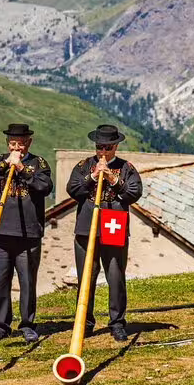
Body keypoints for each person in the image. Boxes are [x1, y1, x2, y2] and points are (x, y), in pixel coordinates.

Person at [66, 124, 142, 342]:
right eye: (100, 147)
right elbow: (73, 190)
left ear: (115, 147)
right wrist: (92, 177)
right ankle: (85, 322)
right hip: (86, 225)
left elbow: (133, 193)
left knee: (115, 275)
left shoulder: (126, 167)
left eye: (107, 148)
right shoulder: (83, 165)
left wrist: (112, 179)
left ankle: (117, 323)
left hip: (113, 223)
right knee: (85, 277)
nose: (103, 152)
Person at [0, 124, 53, 343]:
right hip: (0, 232)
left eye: (20, 143)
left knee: (27, 281)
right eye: (12, 143)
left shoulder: (38, 163)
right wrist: (4, 166)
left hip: (28, 234)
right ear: (7, 143)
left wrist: (21, 168)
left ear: (29, 142)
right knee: (1, 281)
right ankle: (2, 325)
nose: (16, 147)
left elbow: (44, 187)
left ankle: (28, 325)